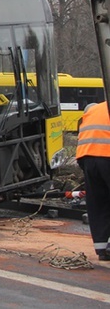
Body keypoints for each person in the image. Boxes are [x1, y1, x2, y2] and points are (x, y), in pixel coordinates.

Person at [77, 101, 110, 261]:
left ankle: (102, 248)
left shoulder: (94, 109)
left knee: (98, 202)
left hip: (87, 157)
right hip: (107, 155)